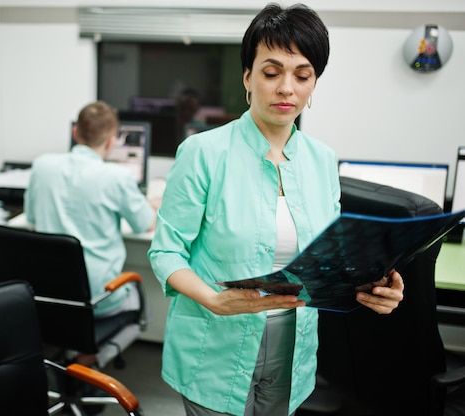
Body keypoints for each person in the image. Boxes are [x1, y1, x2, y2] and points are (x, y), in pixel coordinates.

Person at [147, 4, 404, 416]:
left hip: (294, 349)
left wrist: (373, 285)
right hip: (215, 345)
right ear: (247, 77)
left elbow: (328, 259)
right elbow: (166, 253)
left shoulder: (322, 160)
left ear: (313, 84)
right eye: (271, 72)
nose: (287, 88)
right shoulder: (203, 153)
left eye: (302, 75)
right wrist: (214, 300)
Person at [24, 101, 159, 364]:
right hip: (97, 299)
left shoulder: (42, 166)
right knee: (146, 311)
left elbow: (30, 217)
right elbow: (145, 224)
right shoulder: (117, 177)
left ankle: (74, 358)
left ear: (75, 133)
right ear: (111, 141)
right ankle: (88, 363)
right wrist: (153, 204)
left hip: (47, 295)